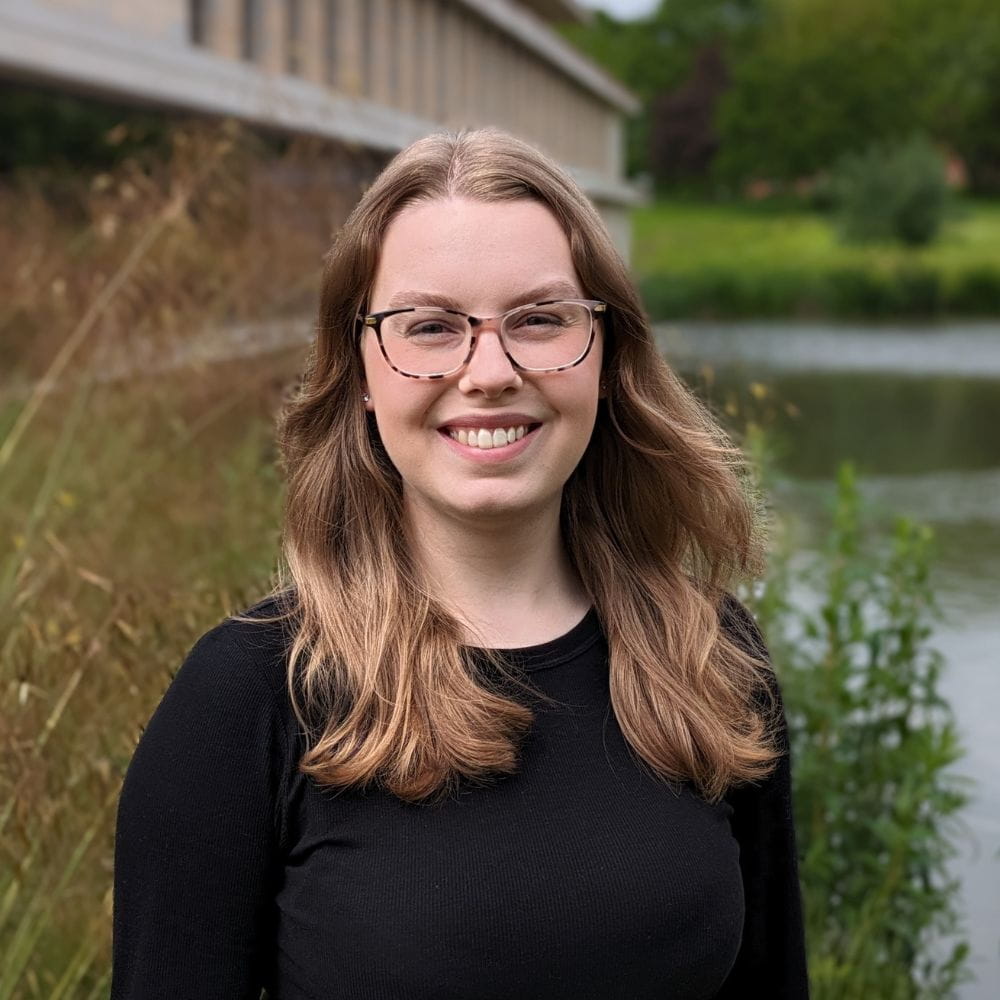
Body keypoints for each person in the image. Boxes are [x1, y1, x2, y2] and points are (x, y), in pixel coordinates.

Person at [111, 128, 809, 999]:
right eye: (431, 327)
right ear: (360, 368)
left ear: (607, 354)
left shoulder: (710, 658)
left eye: (541, 319)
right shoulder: (249, 697)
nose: (489, 371)